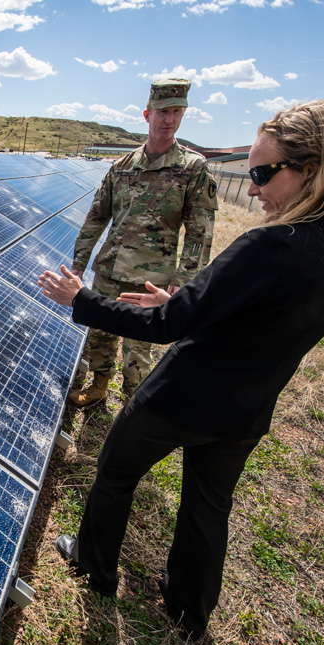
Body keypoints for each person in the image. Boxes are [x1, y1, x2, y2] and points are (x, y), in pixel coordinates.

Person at [38, 100, 324, 639]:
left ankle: (94, 565)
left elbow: (166, 326)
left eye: (261, 174)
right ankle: (189, 611)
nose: (252, 189)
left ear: (312, 171)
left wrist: (84, 300)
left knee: (115, 472)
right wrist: (188, 305)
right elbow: (260, 320)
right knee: (208, 507)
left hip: (181, 397)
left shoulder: (270, 246)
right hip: (246, 411)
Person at [68, 78, 218, 407]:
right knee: (100, 334)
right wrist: (79, 264)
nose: (169, 119)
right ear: (147, 114)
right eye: (163, 112)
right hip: (108, 270)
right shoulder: (121, 167)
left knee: (139, 347)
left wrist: (183, 283)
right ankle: (99, 386)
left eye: (177, 112)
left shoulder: (193, 168)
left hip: (150, 279)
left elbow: (199, 232)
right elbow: (96, 217)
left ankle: (133, 405)